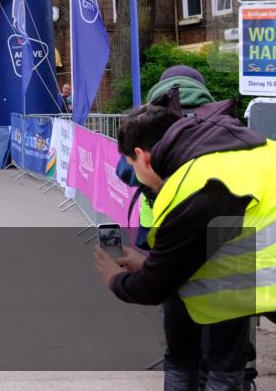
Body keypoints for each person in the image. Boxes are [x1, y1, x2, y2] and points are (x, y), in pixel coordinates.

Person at [95, 102, 275, 391]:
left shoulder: (193, 189)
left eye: (130, 166)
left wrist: (115, 279)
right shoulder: (236, 152)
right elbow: (210, 254)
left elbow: (153, 288)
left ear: (142, 157)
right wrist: (150, 265)